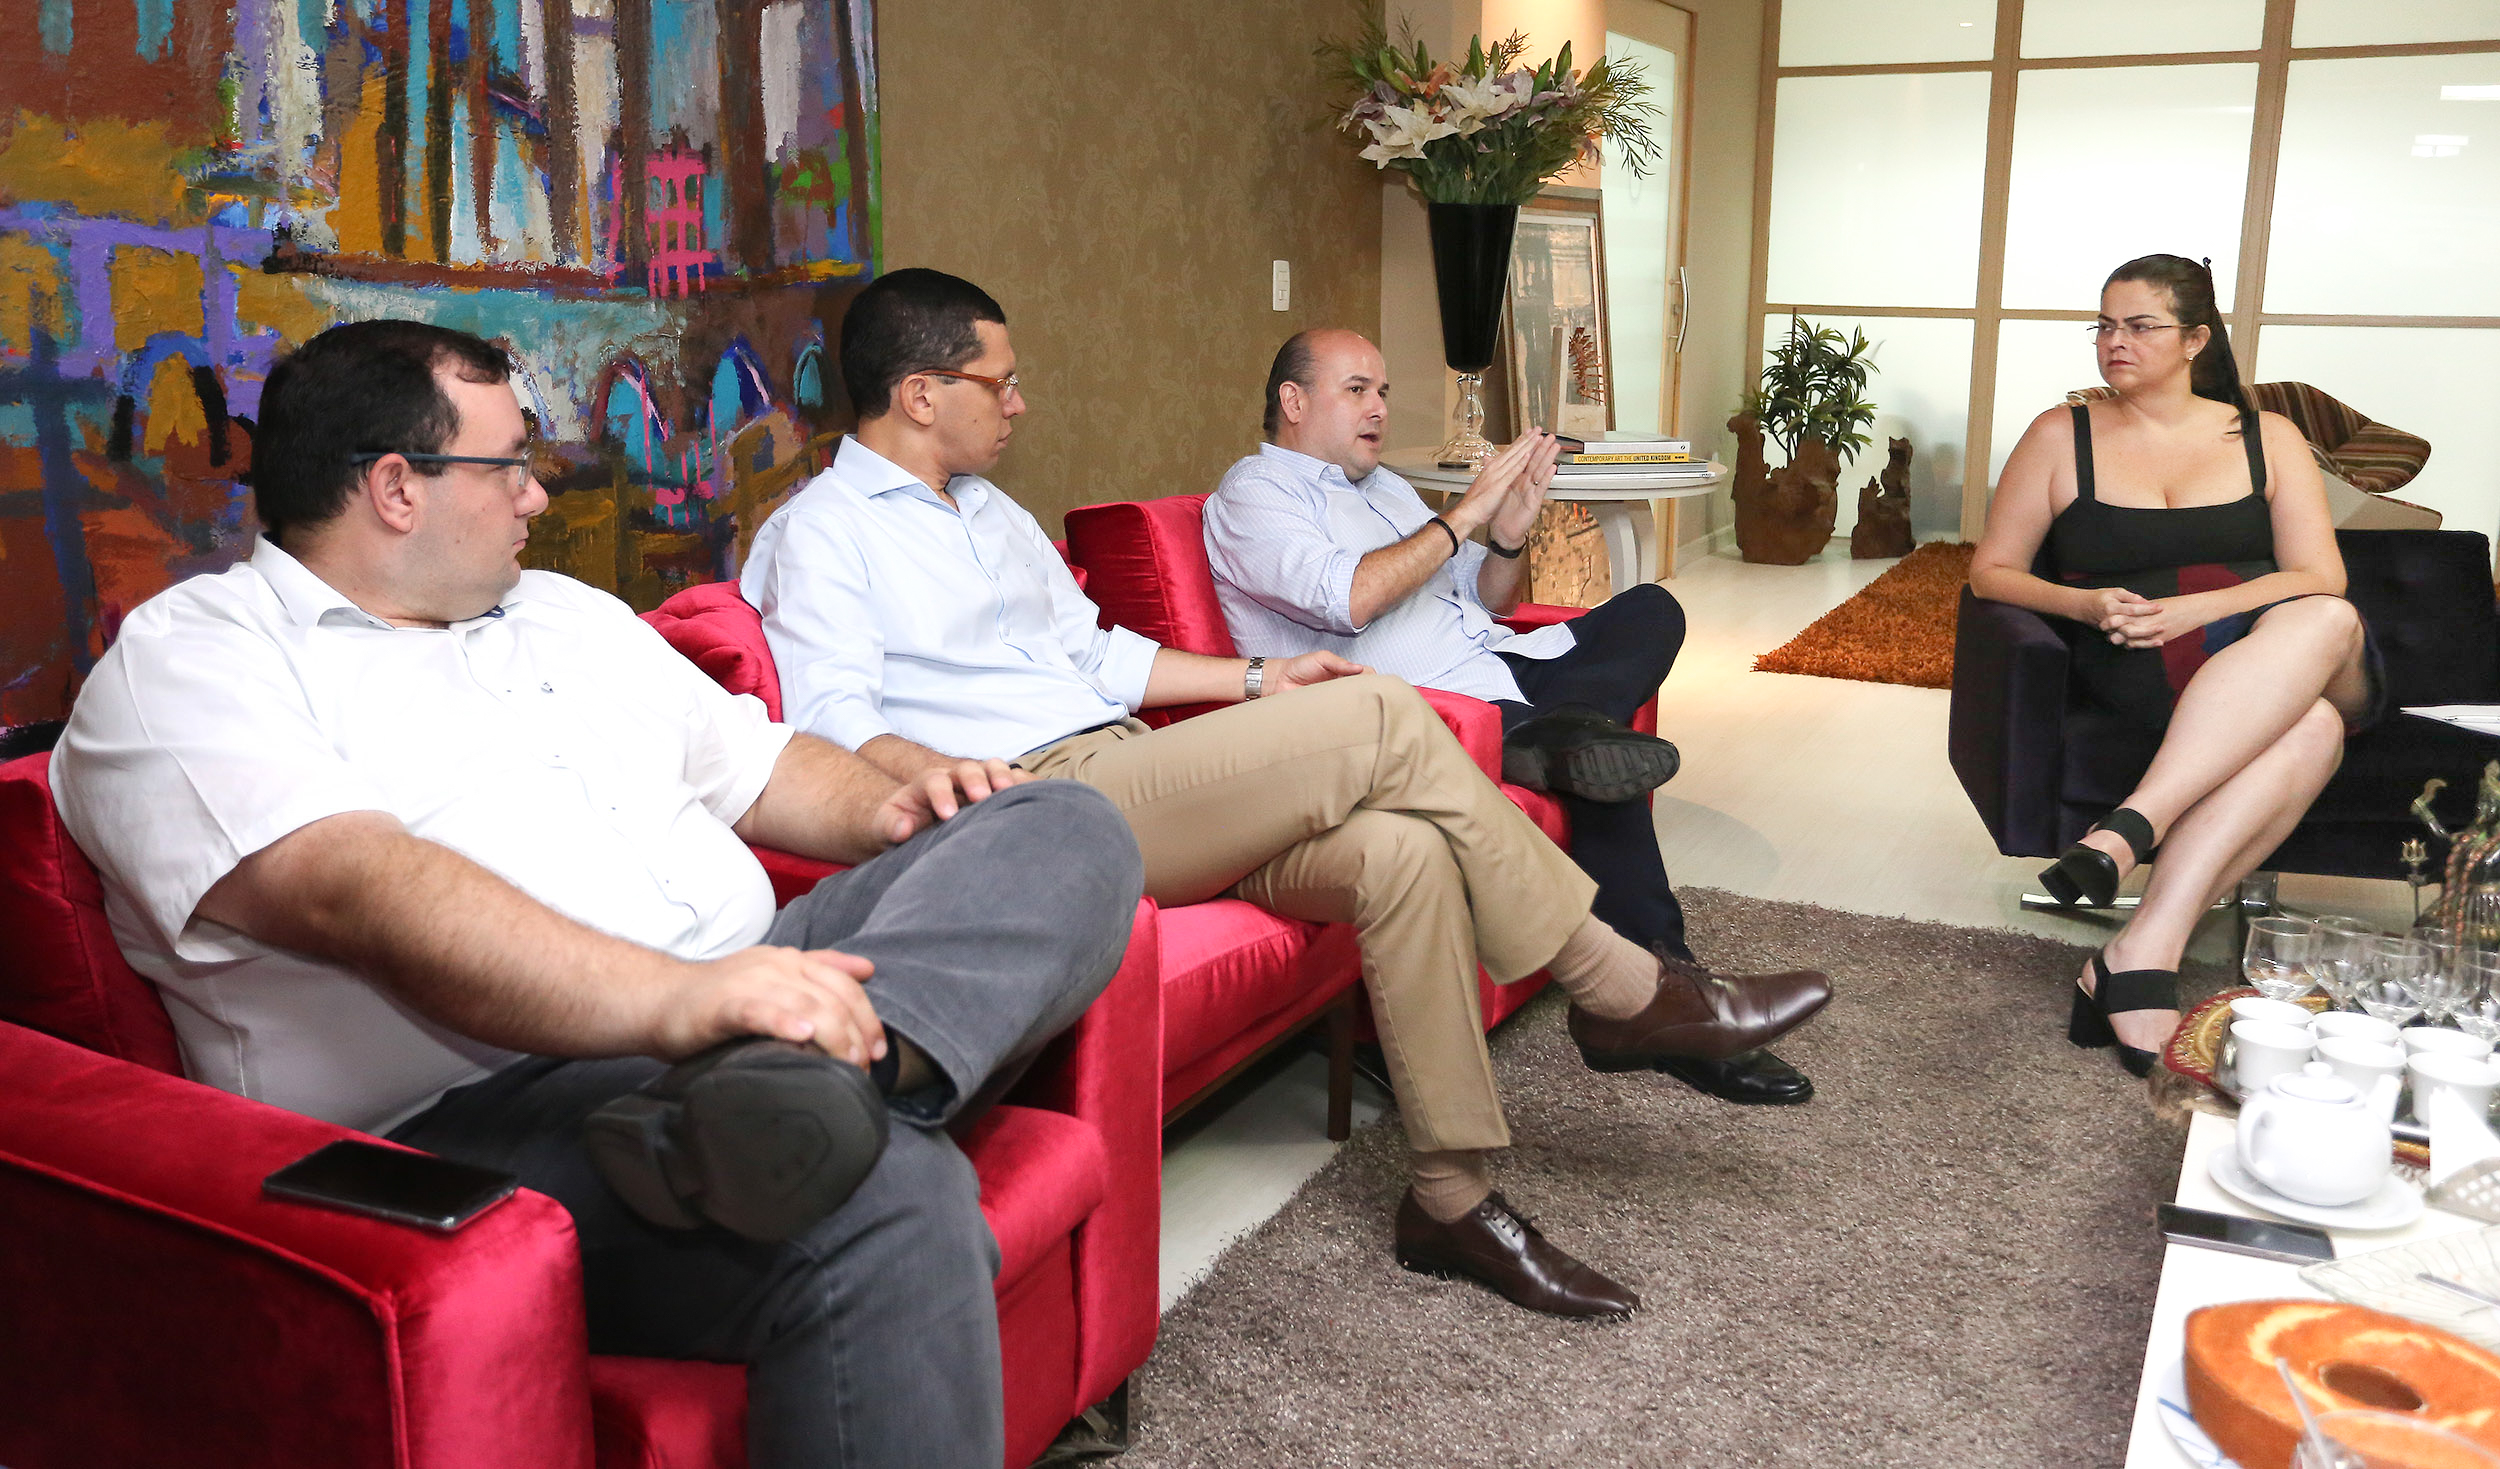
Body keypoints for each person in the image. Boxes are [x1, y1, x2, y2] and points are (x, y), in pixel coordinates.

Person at [48, 319, 1148, 1469]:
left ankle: (817, 1085)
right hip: (472, 1119)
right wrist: (679, 999)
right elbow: (354, 890)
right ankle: (807, 1098)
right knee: (879, 1188)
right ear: (396, 488)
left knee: (1058, 821)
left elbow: (763, 764)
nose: (536, 494)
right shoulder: (195, 658)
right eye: (510, 464)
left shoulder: (562, 613)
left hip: (741, 1000)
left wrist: (903, 805)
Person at [741, 268, 1832, 1321]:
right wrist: (944, 780)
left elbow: (1106, 656)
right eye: (1001, 381)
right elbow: (829, 721)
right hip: (1040, 807)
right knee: (1382, 710)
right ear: (921, 392)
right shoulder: (821, 530)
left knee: (1401, 854)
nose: (1018, 402)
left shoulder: (989, 512)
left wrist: (1264, 677)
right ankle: (1622, 986)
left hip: (1126, 762)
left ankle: (1449, 1200)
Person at [1201, 327, 1817, 1106]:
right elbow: (1348, 598)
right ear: (1293, 402)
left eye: (1382, 391)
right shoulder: (1255, 495)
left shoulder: (1384, 488)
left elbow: (1487, 599)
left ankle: (1560, 740)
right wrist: (1463, 515)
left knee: (1651, 611)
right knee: (1601, 765)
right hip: (1426, 706)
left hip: (1500, 666)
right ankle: (1670, 993)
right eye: (1356, 390)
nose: (1378, 407)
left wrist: (1507, 533)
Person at [1969, 254, 2377, 1075]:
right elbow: (1991, 572)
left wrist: (2204, 607)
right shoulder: (2060, 434)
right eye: (2104, 325)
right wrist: (2087, 605)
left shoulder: (2266, 436)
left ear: (2195, 340)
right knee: (2312, 730)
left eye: (2140, 326)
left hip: (2281, 645)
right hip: (2143, 663)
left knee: (2330, 616)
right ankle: (2139, 952)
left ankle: (2132, 826)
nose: (2114, 342)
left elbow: (2320, 574)